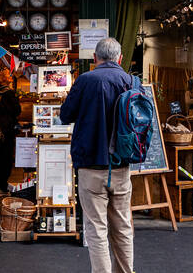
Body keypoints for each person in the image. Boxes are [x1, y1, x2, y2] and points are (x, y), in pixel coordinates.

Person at [60, 38, 134, 273]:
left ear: (95, 58)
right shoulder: (131, 81)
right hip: (122, 166)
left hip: (91, 165)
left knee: (96, 229)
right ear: (120, 58)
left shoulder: (85, 81)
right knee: (123, 227)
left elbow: (65, 115)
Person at [0, 68, 21, 197]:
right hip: (7, 130)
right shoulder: (9, 93)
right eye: (8, 75)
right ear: (5, 79)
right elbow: (17, 110)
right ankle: (1, 186)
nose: (11, 77)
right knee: (6, 159)